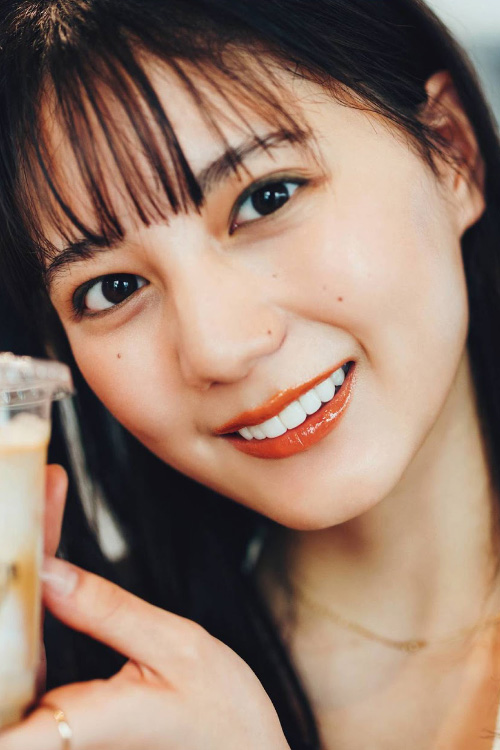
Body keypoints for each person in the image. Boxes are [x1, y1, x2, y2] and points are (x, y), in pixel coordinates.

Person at [0, 0, 500, 747]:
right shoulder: (97, 707)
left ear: (449, 150)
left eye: (267, 198)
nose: (218, 347)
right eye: (112, 288)